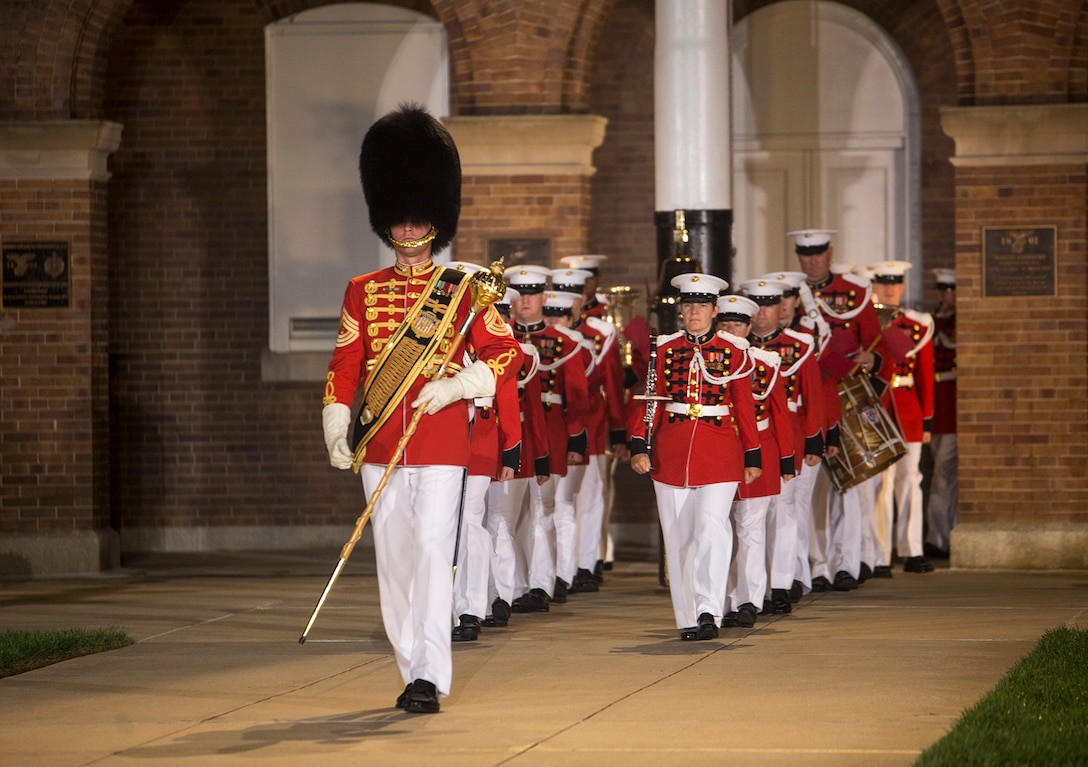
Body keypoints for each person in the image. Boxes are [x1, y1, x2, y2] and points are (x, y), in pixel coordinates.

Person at [320, 106, 520, 714]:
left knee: (435, 551)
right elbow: (347, 365)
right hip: (380, 443)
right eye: (398, 223)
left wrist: (459, 386)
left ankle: (430, 674)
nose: (407, 233)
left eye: (416, 222)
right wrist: (335, 422)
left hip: (438, 441)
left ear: (435, 221)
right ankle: (410, 664)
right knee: (396, 559)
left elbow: (506, 353)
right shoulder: (363, 289)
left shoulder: (462, 289)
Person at [630, 273, 762, 641]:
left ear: (715, 310)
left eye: (701, 305)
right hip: (671, 450)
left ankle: (709, 611)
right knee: (678, 538)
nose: (693, 312)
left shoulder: (735, 351)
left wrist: (752, 453)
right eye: (688, 305)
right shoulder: (665, 348)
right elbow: (648, 399)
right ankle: (688, 616)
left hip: (719, 449)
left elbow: (744, 405)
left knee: (711, 529)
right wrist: (640, 444)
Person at [788, 229, 892, 592]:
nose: (812, 260)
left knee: (850, 487)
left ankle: (847, 563)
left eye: (818, 253)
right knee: (807, 494)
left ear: (830, 252)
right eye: (805, 254)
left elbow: (879, 346)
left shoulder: (856, 292)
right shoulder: (790, 293)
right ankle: (816, 566)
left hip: (846, 395)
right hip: (805, 399)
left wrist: (873, 359)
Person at [444, 264, 525, 642]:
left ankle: (471, 609)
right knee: (441, 525)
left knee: (470, 521)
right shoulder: (439, 330)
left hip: (480, 434)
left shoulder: (493, 334)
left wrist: (511, 449)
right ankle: (439, 609)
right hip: (440, 433)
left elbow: (506, 392)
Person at [506, 265, 589, 612]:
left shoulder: (565, 342)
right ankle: (513, 584)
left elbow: (578, 395)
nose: (525, 302)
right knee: (511, 516)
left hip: (550, 429)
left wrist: (575, 439)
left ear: (543, 297)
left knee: (544, 508)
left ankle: (542, 584)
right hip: (512, 430)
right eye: (519, 295)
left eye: (532, 295)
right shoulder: (502, 338)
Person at [716, 293, 796, 627]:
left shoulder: (765, 363)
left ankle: (748, 600)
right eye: (725, 324)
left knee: (751, 530)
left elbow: (780, 412)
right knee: (716, 529)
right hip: (719, 447)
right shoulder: (705, 359)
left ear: (749, 328)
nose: (731, 330)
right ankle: (716, 602)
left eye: (737, 324)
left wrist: (787, 459)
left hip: (759, 448)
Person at [745, 277, 825, 602]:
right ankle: (757, 585)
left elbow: (814, 396)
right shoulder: (737, 346)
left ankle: (782, 582)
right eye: (757, 305)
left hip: (789, 431)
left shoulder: (799, 345)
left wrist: (814, 440)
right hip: (752, 434)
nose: (763, 312)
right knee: (753, 514)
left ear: (781, 307)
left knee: (785, 508)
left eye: (769, 305)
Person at [550, 266, 628, 592]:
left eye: (577, 295)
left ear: (584, 297)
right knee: (556, 498)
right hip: (552, 422)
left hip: (591, 421)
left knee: (590, 495)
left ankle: (586, 563)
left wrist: (619, 431)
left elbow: (612, 381)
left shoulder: (601, 333)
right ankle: (558, 566)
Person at [867, 261, 935, 575]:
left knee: (911, 480)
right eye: (883, 283)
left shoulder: (917, 324)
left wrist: (927, 421)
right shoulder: (866, 323)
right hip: (877, 408)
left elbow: (925, 374)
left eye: (895, 283)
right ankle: (880, 555)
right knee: (882, 483)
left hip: (908, 408)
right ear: (874, 286)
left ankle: (911, 549)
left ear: (903, 287)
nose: (890, 289)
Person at [926, 267, 957, 557]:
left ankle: (941, 538)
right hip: (936, 407)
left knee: (944, 476)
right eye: (940, 290)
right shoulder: (933, 321)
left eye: (949, 290)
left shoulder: (958, 324)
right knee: (940, 474)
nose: (943, 295)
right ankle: (940, 536)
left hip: (952, 407)